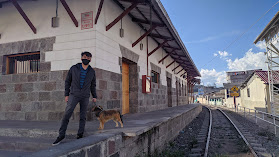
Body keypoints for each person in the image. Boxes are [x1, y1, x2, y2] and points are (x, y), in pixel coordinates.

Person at [52, 51, 97, 145]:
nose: (86, 59)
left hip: (85, 96)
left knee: (83, 116)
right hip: (74, 94)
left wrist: (94, 96)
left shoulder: (92, 71)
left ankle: (80, 134)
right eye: (85, 57)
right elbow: (67, 81)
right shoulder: (74, 68)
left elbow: (93, 85)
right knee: (67, 114)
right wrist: (66, 94)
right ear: (81, 58)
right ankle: (61, 135)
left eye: (88, 58)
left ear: (90, 59)